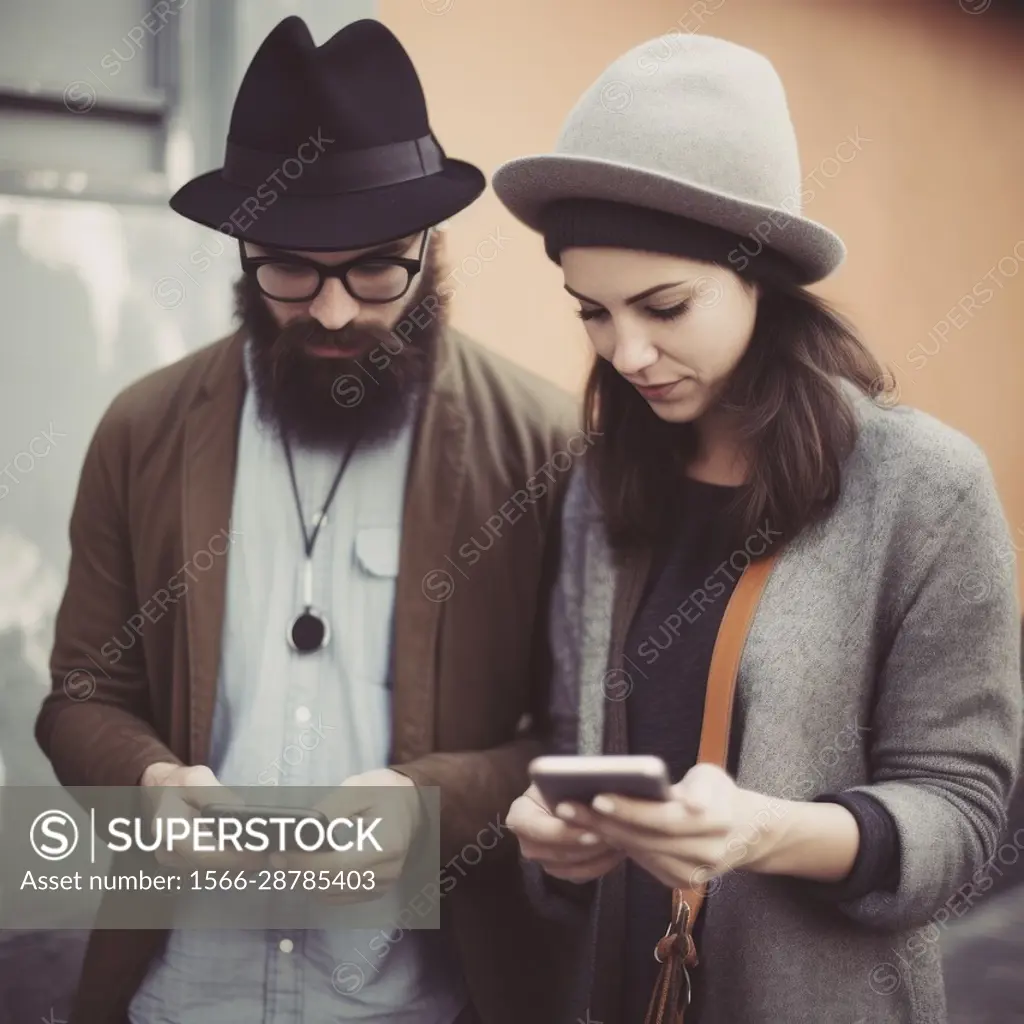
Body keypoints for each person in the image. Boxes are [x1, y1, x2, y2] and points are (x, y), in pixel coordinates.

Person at [37, 17, 579, 1024]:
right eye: (289, 270)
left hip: (423, 1001)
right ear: (243, 250)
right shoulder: (142, 428)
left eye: (377, 269)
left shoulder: (540, 446)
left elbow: (575, 737)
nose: (333, 312)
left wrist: (430, 808)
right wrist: (146, 779)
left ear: (432, 246)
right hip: (177, 993)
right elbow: (76, 699)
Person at [493, 32, 1023, 1024]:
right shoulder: (599, 486)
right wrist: (550, 844)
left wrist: (761, 832)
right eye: (592, 313)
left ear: (762, 276)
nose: (629, 351)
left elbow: (965, 823)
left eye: (664, 305)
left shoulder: (924, 486)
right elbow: (578, 745)